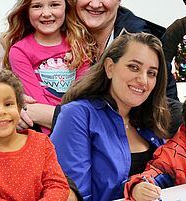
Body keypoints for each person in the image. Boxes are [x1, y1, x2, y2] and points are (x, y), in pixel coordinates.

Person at [52, 32, 175, 201]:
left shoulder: (151, 119)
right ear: (110, 68)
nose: (143, 80)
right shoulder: (77, 115)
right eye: (134, 67)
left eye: (152, 73)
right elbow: (75, 194)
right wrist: (131, 191)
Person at [1, 0, 98, 132]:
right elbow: (36, 104)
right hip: (42, 134)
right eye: (37, 6)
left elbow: (81, 96)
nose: (46, 13)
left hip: (77, 132)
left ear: (66, 6)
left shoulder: (80, 45)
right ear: (26, 9)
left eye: (54, 5)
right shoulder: (19, 51)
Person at [73, 0, 176, 101]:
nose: (95, 3)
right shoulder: (52, 32)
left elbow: (169, 106)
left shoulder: (144, 43)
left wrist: (46, 113)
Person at [0, 69, 69, 201]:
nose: (1, 111)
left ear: (19, 109)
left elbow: (57, 185)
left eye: (8, 104)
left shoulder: (41, 142)